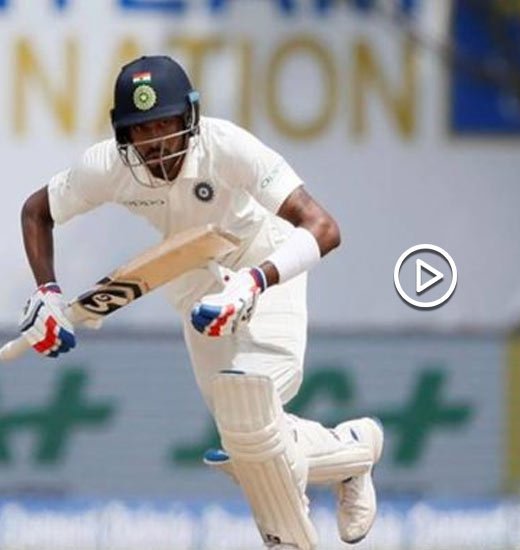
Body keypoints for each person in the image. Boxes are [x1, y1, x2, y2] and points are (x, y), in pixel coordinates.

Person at [17, 54, 383, 550]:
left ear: (189, 116)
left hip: (265, 260)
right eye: (141, 130)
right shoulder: (108, 166)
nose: (156, 143)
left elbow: (323, 228)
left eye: (164, 124)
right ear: (123, 134)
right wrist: (46, 292)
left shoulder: (226, 146)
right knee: (241, 429)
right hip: (194, 273)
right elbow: (36, 212)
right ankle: (353, 452)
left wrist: (253, 282)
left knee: (249, 409)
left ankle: (286, 531)